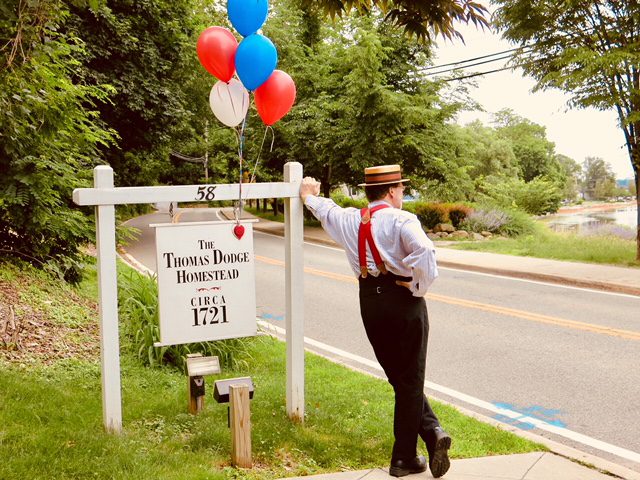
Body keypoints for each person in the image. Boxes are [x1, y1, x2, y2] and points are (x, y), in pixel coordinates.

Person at [299, 164, 451, 478]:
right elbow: (424, 250)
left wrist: (309, 196)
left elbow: (326, 210)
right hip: (402, 299)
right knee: (410, 379)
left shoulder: (350, 219)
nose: (403, 194)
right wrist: (419, 287)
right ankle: (403, 459)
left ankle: (433, 431)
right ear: (393, 190)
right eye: (402, 189)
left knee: (399, 376)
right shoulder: (402, 219)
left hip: (370, 303)